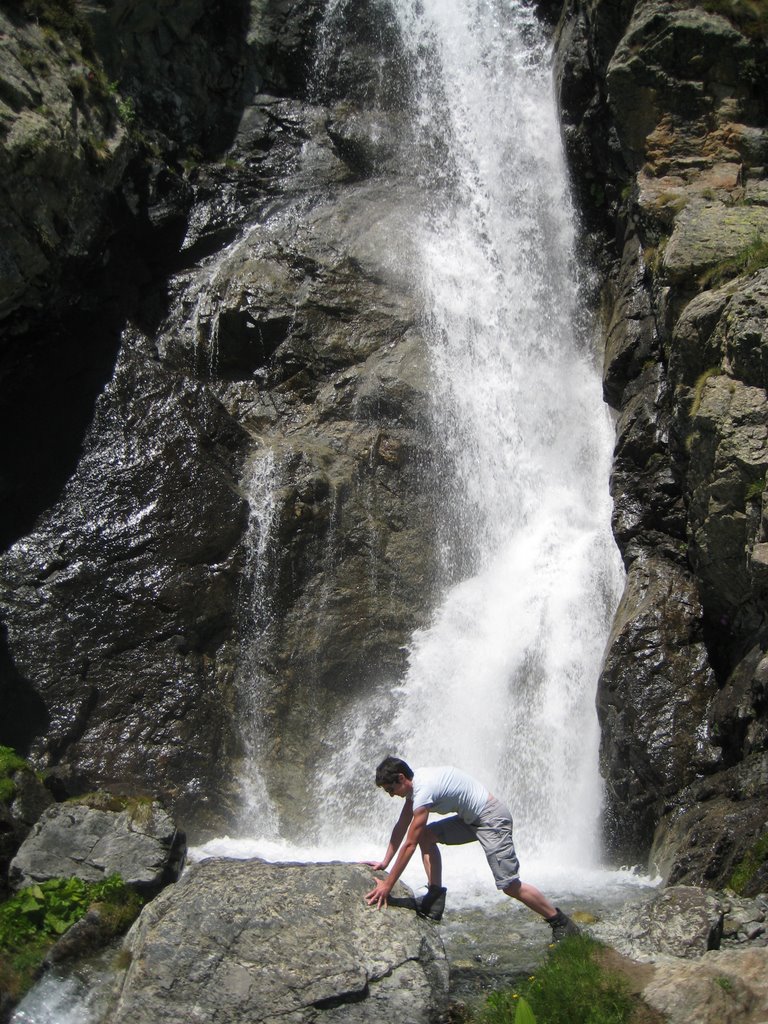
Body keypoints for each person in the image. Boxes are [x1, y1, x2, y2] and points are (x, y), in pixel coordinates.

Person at [363, 756, 580, 941]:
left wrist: (387, 885)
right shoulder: (415, 786)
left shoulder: (423, 789)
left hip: (492, 819)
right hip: (470, 820)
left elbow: (409, 843)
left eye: (391, 789)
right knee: (426, 836)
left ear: (401, 778)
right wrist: (385, 861)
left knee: (510, 885)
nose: (391, 795)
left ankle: (561, 923)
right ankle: (434, 900)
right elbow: (402, 825)